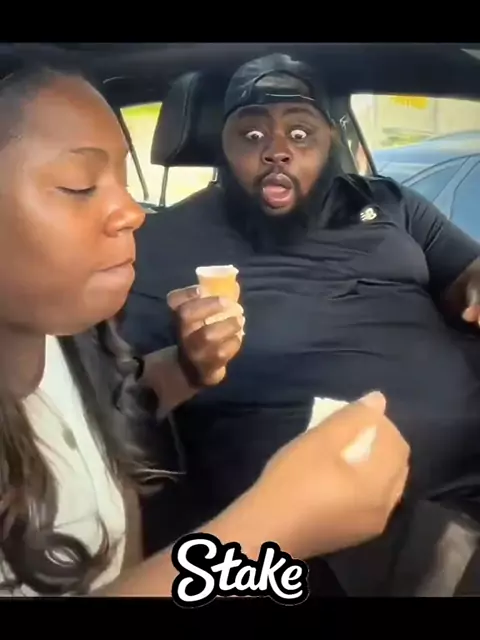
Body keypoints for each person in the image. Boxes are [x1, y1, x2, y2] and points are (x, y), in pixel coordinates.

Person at [0, 49, 411, 597]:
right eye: (80, 184)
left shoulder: (69, 337)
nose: (133, 212)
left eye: (122, 177)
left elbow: (114, 405)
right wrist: (267, 530)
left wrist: (187, 368)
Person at [121, 52, 480, 551]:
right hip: (333, 533)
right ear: (222, 146)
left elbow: (465, 275)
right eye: (251, 135)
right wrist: (185, 364)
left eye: (300, 133)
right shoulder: (163, 242)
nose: (277, 151)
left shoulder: (390, 203)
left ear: (331, 139)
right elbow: (118, 397)